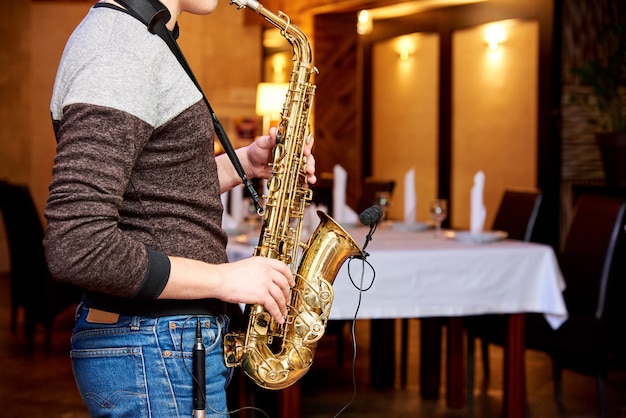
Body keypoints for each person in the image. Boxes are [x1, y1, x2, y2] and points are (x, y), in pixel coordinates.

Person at [43, 0, 316, 416]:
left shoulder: (139, 35)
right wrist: (223, 280)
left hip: (160, 346)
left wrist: (245, 163)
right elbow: (77, 245)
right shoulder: (120, 48)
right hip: (154, 347)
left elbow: (148, 183)